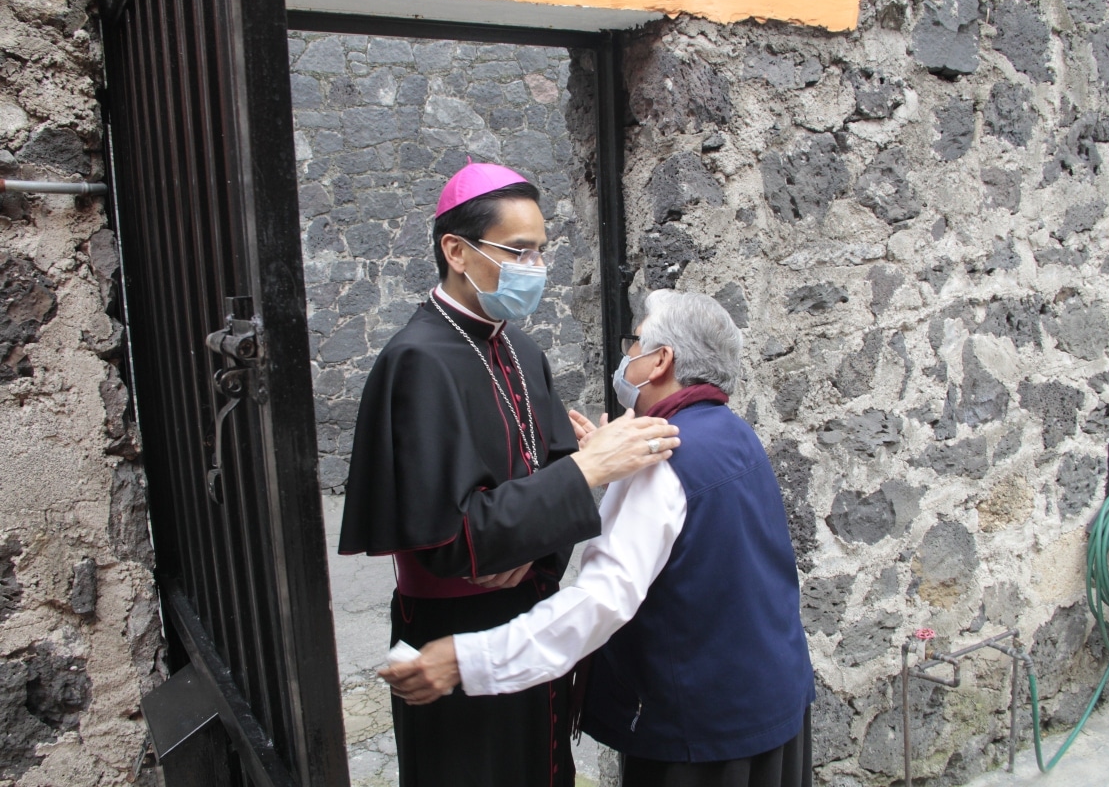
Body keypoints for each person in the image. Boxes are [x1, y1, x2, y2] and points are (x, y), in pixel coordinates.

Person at [383, 290, 817, 787]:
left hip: (704, 735)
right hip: (775, 704)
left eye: (635, 341)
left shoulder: (663, 458)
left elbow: (599, 603)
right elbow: (693, 546)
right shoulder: (732, 432)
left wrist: (467, 658)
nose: (626, 354)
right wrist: (608, 475)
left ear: (660, 361)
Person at [340, 162, 681, 787]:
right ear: (457, 251)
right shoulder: (416, 361)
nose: (535, 268)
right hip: (454, 632)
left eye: (541, 251)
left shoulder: (522, 350)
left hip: (528, 616)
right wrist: (587, 470)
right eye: (518, 251)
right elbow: (450, 537)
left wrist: (540, 531)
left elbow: (550, 481)